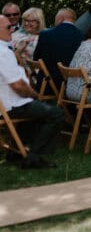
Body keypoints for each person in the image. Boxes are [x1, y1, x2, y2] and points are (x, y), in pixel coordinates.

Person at [0, 16, 64, 168]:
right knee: (56, 114)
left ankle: (16, 150)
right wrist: (33, 94)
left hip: (7, 103)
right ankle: (34, 157)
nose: (12, 30)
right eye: (8, 27)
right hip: (10, 105)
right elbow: (18, 86)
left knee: (35, 109)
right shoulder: (2, 52)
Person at [33, 8, 83, 91]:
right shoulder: (82, 36)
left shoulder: (45, 34)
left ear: (61, 19)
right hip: (71, 85)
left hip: (46, 84)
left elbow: (36, 58)